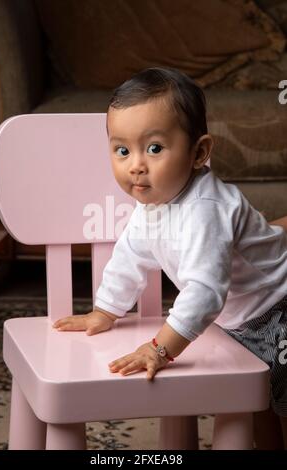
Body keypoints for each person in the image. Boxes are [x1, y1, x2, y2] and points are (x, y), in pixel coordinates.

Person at [53, 67, 287, 448]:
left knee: (281, 397)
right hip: (237, 319)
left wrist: (160, 348)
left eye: (155, 148)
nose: (136, 165)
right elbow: (128, 257)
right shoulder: (152, 205)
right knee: (257, 404)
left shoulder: (204, 211)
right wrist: (105, 311)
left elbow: (205, 292)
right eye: (122, 150)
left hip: (276, 310)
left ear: (199, 152)